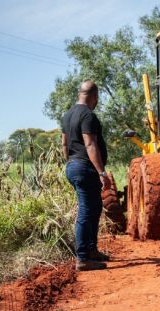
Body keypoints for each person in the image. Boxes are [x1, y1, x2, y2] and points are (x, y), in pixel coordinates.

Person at [61, 80, 110, 271]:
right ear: (94, 96)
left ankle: (92, 250)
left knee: (95, 208)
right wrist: (101, 172)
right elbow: (90, 144)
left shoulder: (67, 115)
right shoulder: (88, 115)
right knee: (86, 211)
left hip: (73, 166)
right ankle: (82, 258)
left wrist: (70, 162)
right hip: (85, 168)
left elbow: (64, 144)